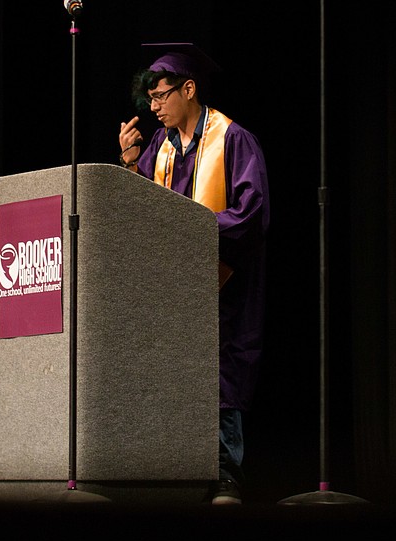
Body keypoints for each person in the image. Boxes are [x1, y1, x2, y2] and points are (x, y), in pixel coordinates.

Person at [118, 43, 270, 504]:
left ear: (189, 88)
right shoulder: (160, 148)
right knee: (172, 371)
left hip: (224, 283)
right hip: (173, 287)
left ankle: (226, 473)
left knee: (221, 371)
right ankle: (175, 470)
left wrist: (191, 228)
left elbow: (252, 212)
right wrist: (129, 165)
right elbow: (146, 210)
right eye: (149, 100)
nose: (154, 106)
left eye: (161, 95)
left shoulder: (232, 139)